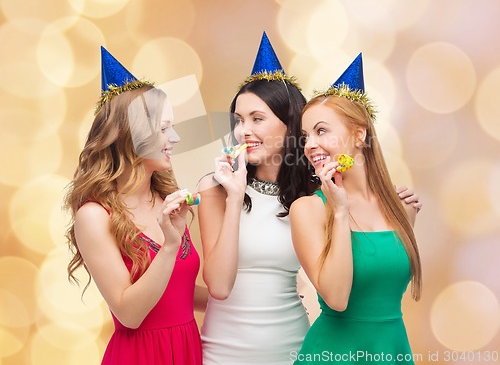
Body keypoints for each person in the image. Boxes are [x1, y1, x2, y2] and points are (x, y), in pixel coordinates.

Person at [198, 34, 422, 364]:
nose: (243, 131)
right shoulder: (219, 187)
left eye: (257, 119)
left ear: (288, 126)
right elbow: (218, 285)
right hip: (227, 349)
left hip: (294, 342)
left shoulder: (311, 192)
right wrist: (235, 196)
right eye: (238, 121)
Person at [65, 47, 205, 365]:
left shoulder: (165, 199)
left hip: (187, 351)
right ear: (133, 134)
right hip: (140, 356)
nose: (177, 137)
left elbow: (178, 293)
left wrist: (253, 299)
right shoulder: (95, 216)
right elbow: (129, 313)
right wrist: (170, 245)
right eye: (165, 127)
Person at [290, 54, 421, 364]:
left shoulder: (401, 208)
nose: (309, 145)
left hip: (392, 351)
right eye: (305, 136)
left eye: (321, 131)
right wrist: (339, 212)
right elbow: (336, 299)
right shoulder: (308, 209)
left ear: (359, 134)